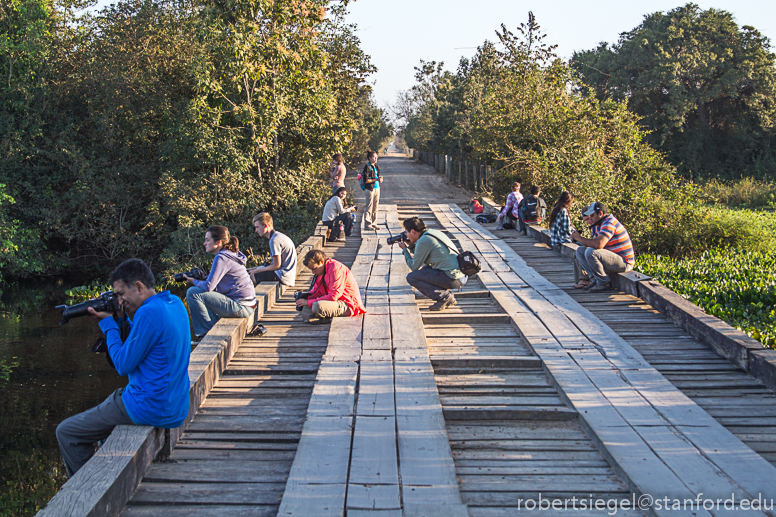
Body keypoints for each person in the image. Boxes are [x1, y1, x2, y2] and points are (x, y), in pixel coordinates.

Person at [56, 259, 190, 477]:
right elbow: (139, 349)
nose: (119, 301)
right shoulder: (174, 303)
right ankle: (107, 475)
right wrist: (122, 321)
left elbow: (122, 365)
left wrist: (108, 324)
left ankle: (89, 488)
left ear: (138, 287)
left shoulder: (148, 313)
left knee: (67, 432)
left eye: (120, 294)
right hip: (175, 406)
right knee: (106, 421)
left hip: (149, 407)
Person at [186, 226, 256, 338]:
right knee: (202, 293)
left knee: (193, 293)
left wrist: (193, 281)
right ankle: (212, 329)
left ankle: (205, 335)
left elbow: (209, 287)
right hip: (247, 305)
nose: (204, 243)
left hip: (241, 307)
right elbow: (214, 284)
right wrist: (204, 278)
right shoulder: (229, 254)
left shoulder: (222, 257)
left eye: (207, 240)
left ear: (218, 242)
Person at [398, 216, 467, 311]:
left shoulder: (423, 241)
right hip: (460, 275)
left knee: (412, 277)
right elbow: (422, 256)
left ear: (413, 231)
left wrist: (405, 250)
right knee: (424, 270)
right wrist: (410, 245)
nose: (406, 235)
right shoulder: (431, 233)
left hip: (454, 278)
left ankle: (444, 297)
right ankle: (446, 295)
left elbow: (413, 266)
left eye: (407, 232)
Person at [571, 202, 635, 292]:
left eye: (592, 216)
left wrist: (579, 238)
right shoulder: (599, 225)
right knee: (580, 251)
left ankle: (603, 282)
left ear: (600, 213)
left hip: (624, 262)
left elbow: (598, 245)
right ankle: (594, 280)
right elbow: (592, 243)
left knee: (591, 252)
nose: (591, 219)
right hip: (612, 258)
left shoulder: (609, 223)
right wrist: (578, 240)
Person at [296, 249, 366, 324]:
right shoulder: (320, 272)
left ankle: (325, 318)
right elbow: (317, 292)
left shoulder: (336, 269)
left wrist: (309, 302)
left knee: (317, 306)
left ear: (321, 262)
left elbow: (333, 296)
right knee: (303, 308)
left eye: (314, 268)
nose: (313, 272)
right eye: (311, 270)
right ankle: (325, 317)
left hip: (347, 303)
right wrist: (305, 297)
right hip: (333, 302)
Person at [248, 212, 298, 287]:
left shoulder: (274, 240)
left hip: (283, 277)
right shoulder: (278, 236)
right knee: (256, 269)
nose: (256, 230)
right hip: (288, 275)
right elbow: (273, 264)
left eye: (257, 227)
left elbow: (276, 266)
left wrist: (255, 271)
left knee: (252, 276)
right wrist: (252, 269)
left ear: (265, 225)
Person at [360, 150, 383, 230]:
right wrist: (376, 180)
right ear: (369, 158)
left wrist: (380, 179)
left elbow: (377, 177)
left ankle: (374, 223)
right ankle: (367, 224)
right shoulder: (367, 167)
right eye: (374, 157)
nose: (376, 158)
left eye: (376, 157)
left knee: (375, 207)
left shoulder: (376, 167)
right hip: (369, 189)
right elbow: (366, 180)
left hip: (377, 188)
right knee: (369, 206)